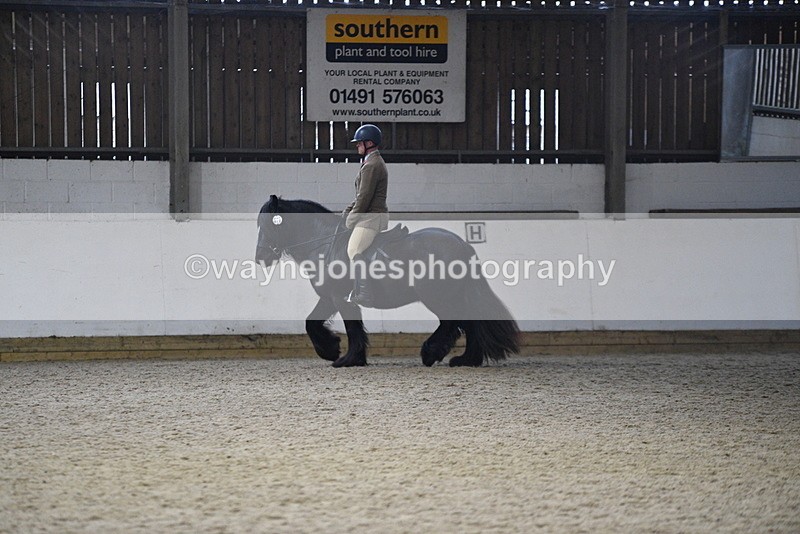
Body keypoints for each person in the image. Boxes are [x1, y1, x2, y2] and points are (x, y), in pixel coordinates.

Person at [342, 124, 389, 305]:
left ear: (369, 143)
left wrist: (351, 220)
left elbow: (364, 198)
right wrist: (346, 212)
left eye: (359, 143)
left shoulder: (372, 165)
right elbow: (360, 197)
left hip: (372, 218)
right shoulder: (370, 162)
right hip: (369, 214)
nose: (357, 146)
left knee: (354, 249)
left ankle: (365, 293)